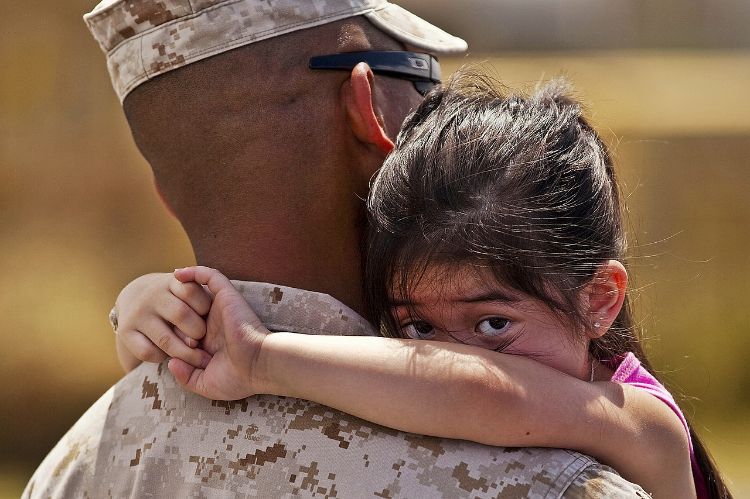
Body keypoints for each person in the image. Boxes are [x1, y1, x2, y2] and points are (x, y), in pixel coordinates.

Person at [23, 0, 651, 497]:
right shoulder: (558, 477)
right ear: (371, 107)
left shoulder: (70, 469)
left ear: (164, 192)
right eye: (424, 83)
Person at [112, 75, 731, 499]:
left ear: (597, 300)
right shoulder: (408, 384)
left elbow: (484, 395)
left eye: (493, 324)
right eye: (418, 328)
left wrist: (259, 358)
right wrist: (153, 317)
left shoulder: (642, 424)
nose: (448, 355)